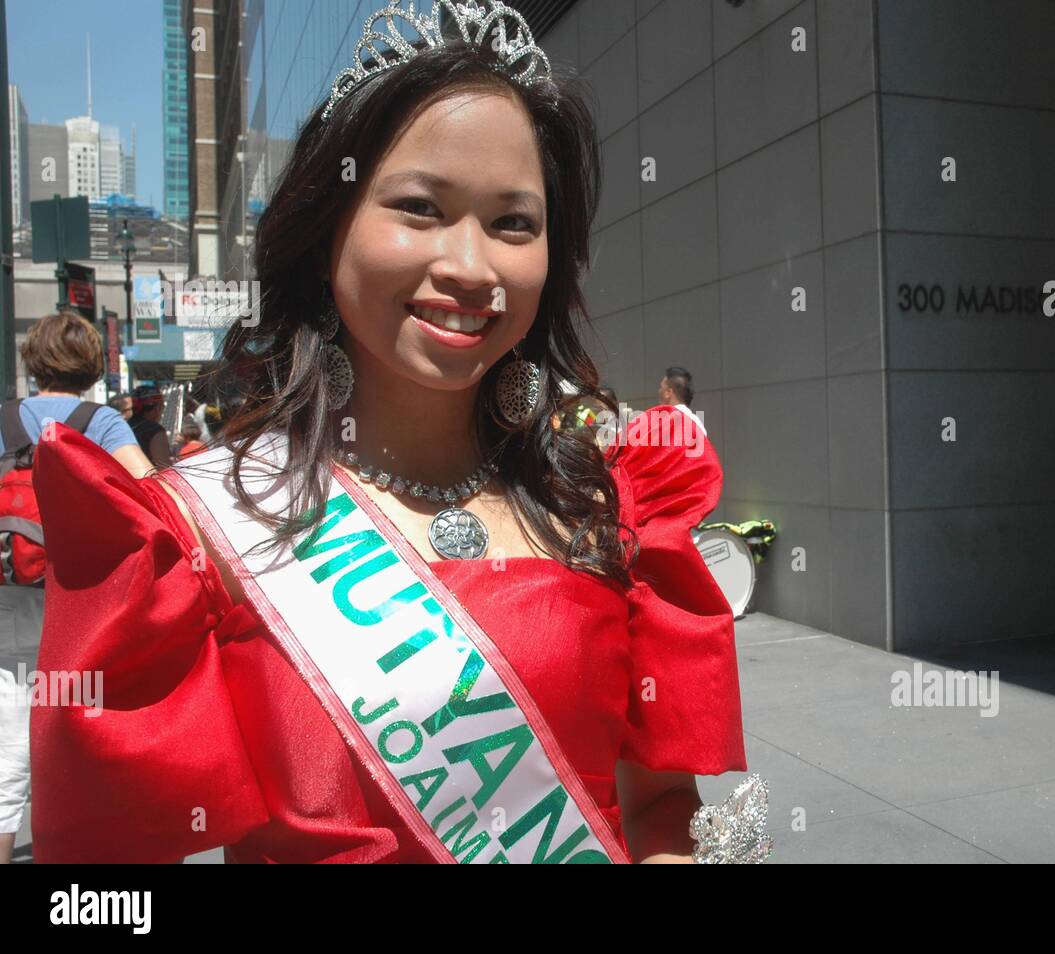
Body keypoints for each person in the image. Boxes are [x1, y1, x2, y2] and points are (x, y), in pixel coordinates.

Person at [30, 3, 749, 865]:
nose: (471, 267)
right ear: (325, 230)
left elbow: (663, 809)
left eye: (513, 222)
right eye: (418, 207)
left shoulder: (606, 509)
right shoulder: (193, 536)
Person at [0, 311, 151, 864]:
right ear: (90, 365)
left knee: (9, 745)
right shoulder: (101, 419)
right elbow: (147, 489)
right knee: (87, 728)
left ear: (33, 361)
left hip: (11, 593)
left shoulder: (5, 419)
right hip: (81, 601)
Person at [128, 384, 172, 470]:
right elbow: (164, 468)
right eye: (162, 406)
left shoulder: (123, 426)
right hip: (145, 481)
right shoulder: (155, 431)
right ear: (157, 408)